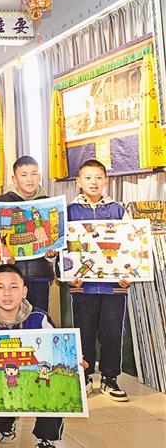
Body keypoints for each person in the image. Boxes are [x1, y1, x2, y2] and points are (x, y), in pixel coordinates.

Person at [0, 264, 81, 448]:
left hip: (34, 382)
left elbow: (56, 353)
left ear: (24, 291)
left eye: (14, 287)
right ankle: (6, 423)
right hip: (2, 387)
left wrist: (75, 362)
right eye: (0, 287)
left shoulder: (39, 319)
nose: (7, 293)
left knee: (54, 385)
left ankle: (46, 440)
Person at [65, 159, 130, 401]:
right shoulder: (69, 211)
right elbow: (62, 249)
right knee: (84, 332)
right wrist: (68, 276)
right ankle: (84, 375)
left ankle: (110, 378)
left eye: (99, 177)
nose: (94, 182)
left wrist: (129, 274)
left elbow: (132, 245)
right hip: (83, 287)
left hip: (115, 287)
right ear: (78, 182)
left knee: (112, 332)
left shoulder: (118, 210)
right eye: (88, 177)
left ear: (106, 181)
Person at [0, 156, 57, 312]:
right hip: (10, 277)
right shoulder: (2, 204)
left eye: (34, 174)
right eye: (24, 174)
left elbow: (56, 238)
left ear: (39, 176)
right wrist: (5, 258)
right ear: (14, 179)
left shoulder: (49, 204)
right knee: (11, 319)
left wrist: (52, 254)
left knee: (39, 317)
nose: (30, 179)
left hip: (40, 274)